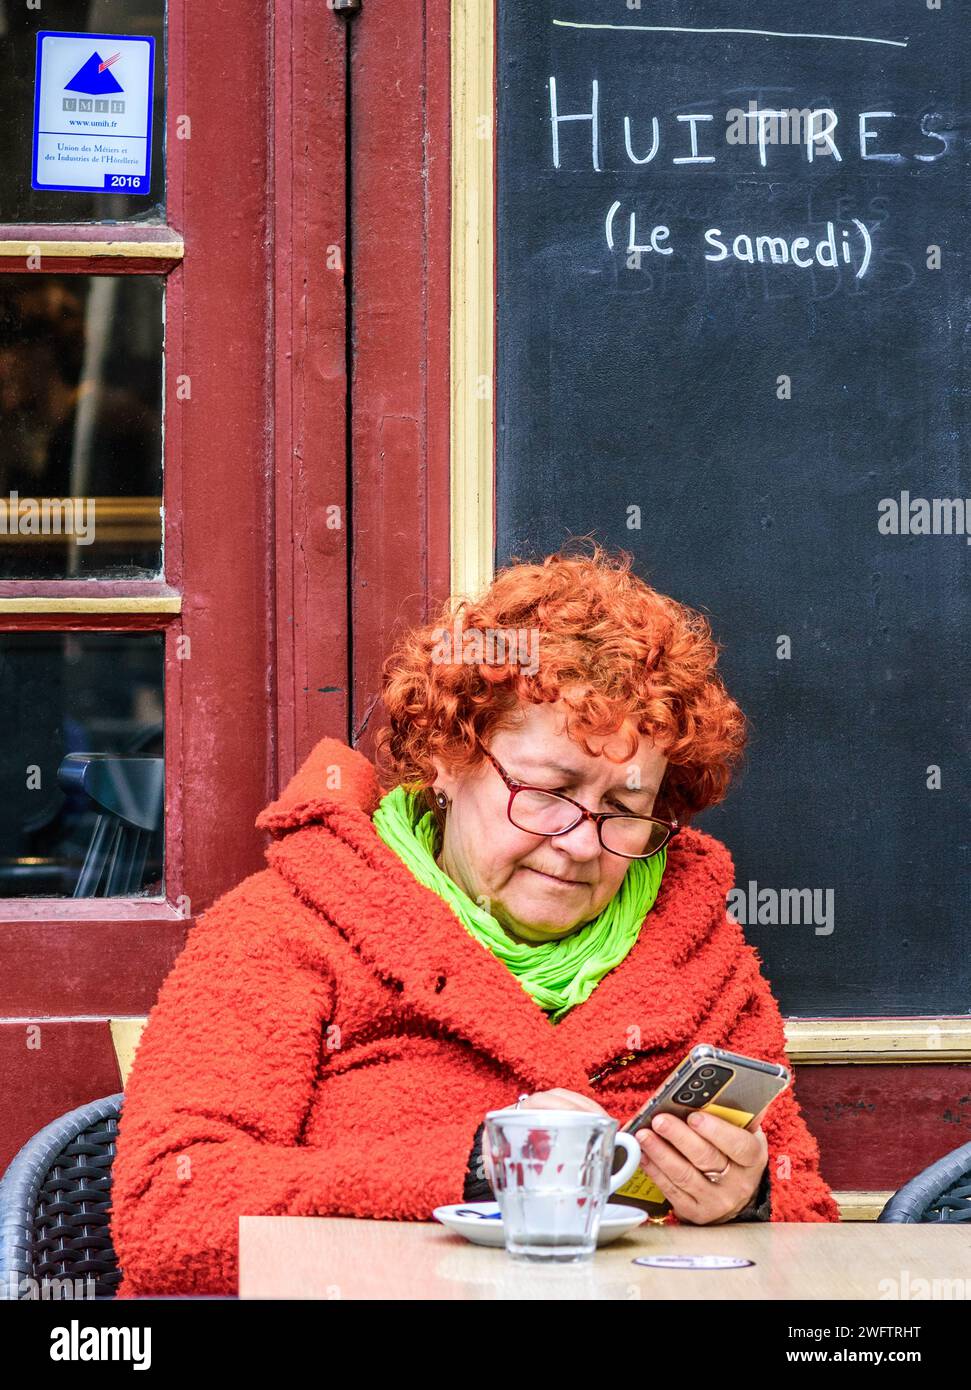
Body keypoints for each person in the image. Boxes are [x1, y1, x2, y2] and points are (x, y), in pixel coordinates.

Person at [110, 543, 838, 1297]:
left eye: (624, 811)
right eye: (547, 793)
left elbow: (805, 1240)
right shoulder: (285, 927)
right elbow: (168, 1216)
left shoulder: (699, 953)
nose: (578, 846)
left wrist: (747, 1202)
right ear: (447, 760)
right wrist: (476, 1166)